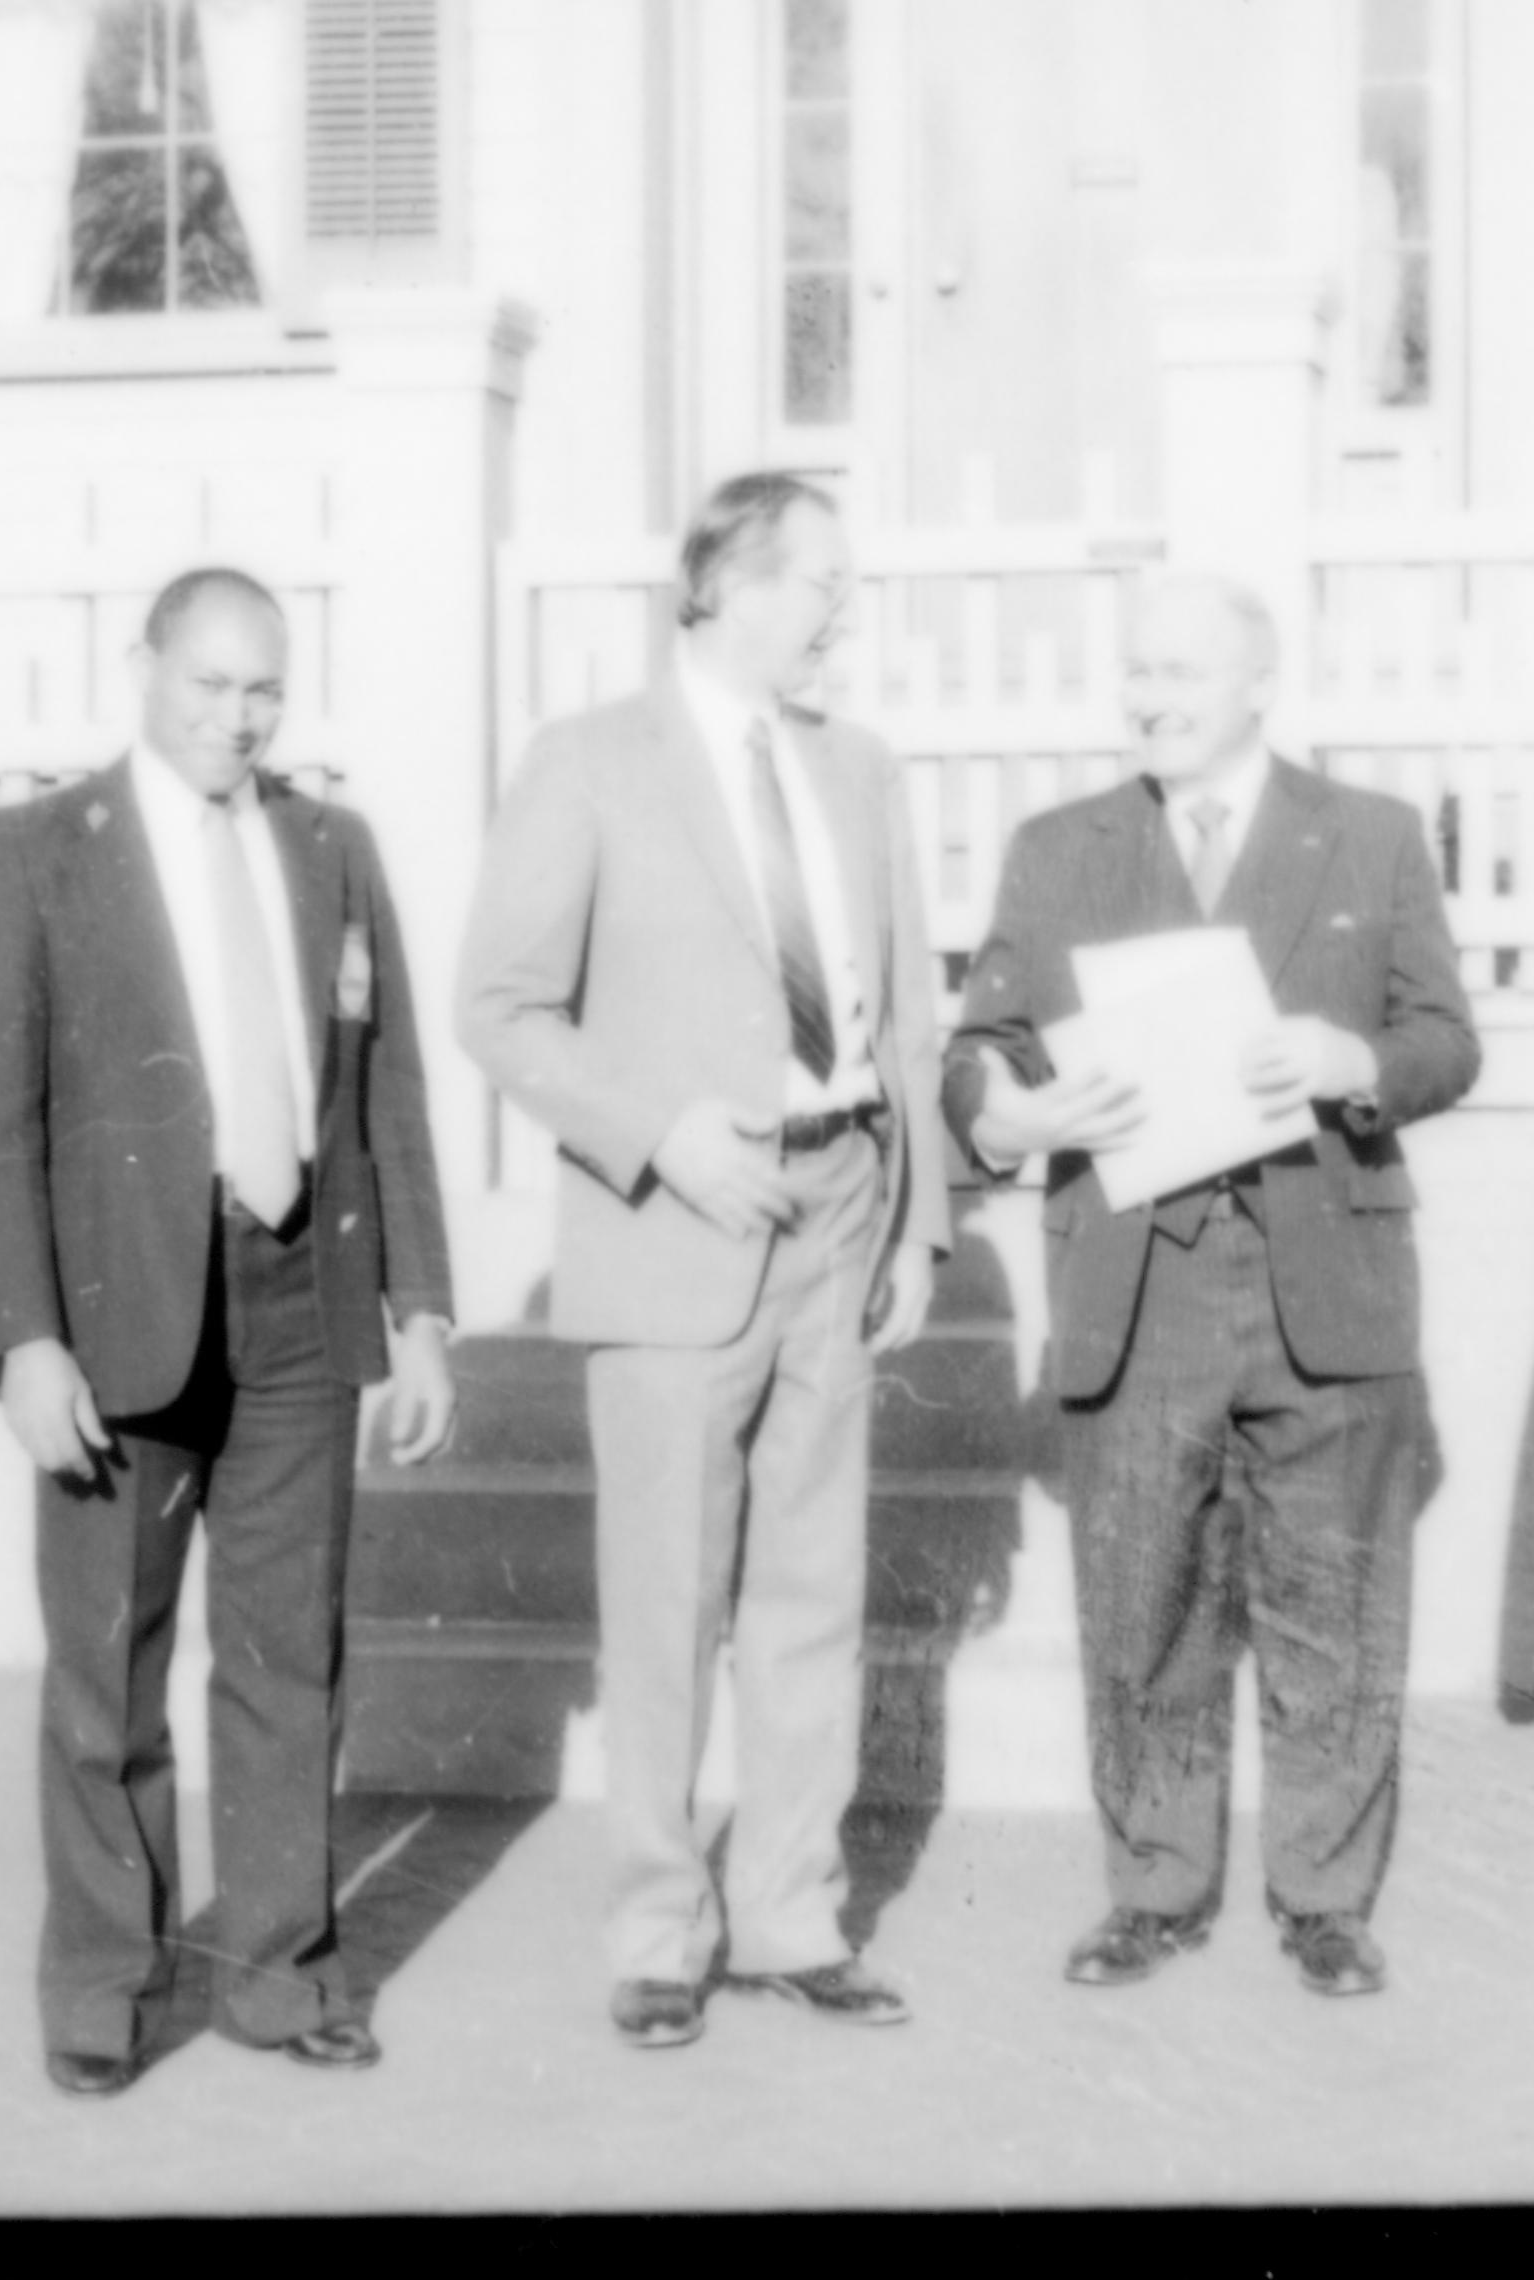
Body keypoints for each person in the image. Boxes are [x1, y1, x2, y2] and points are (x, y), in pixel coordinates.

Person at [0, 567, 458, 2098]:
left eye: (263, 691)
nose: (237, 717)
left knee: (289, 1658)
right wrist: (23, 1339)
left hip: (300, 1293)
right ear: (143, 669)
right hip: (118, 1316)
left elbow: (390, 1096)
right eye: (210, 684)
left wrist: (418, 1311)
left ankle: (283, 1978)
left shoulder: (330, 847)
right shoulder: (41, 853)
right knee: (108, 1666)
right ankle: (103, 1985)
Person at [455, 472, 950, 2051]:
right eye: (823, 583)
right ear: (733, 581)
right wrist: (661, 1133)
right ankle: (662, 1932)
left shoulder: (859, 771)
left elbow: (910, 1016)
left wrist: (917, 1221)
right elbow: (501, 1005)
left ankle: (795, 1916)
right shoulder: (589, 765)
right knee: (666, 1599)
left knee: (812, 1591)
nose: (842, 614)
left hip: (841, 1211)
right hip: (679, 1231)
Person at [944, 572, 1479, 2000]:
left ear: (1259, 682)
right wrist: (1014, 1116)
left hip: (1326, 1274)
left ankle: (1325, 1899)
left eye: (1179, 673)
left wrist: (1354, 1063)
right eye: (1136, 673)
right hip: (1139, 1283)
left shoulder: (1368, 838)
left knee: (1335, 1604)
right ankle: (1156, 1889)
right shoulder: (1060, 849)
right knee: (1144, 1600)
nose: (1149, 697)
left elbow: (1445, 1038)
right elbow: (974, 1053)